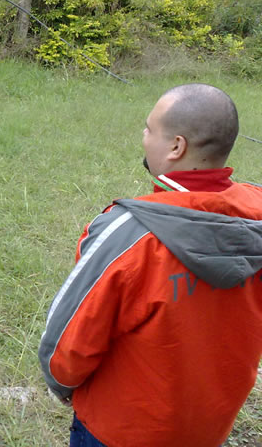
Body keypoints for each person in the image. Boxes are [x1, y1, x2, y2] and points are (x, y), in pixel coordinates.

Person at [39, 83, 262, 447]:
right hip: (209, 426)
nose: (143, 136)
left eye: (148, 128)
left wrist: (60, 383)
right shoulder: (256, 213)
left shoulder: (127, 234)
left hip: (120, 430)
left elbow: (71, 342)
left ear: (176, 147)